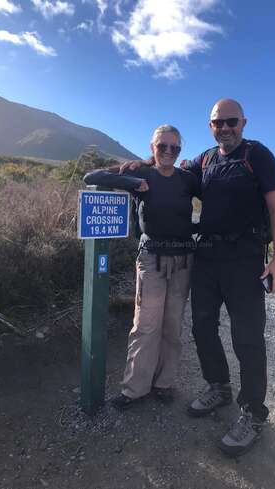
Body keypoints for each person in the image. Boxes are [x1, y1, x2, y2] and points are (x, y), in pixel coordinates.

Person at [120, 99, 275, 456]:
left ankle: (253, 413)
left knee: (247, 338)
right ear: (210, 126)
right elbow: (172, 174)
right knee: (202, 328)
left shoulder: (258, 156)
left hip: (245, 260)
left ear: (243, 122)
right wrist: (143, 165)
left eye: (231, 122)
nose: (225, 128)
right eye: (217, 123)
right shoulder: (205, 160)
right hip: (207, 257)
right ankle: (218, 387)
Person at [83, 125, 200, 409]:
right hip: (152, 261)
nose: (168, 152)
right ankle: (134, 389)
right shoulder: (143, 173)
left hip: (183, 261)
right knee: (145, 327)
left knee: (172, 327)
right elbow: (93, 176)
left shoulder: (187, 179)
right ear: (152, 148)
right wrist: (132, 182)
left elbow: (218, 199)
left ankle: (164, 384)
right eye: (162, 147)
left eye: (175, 148)